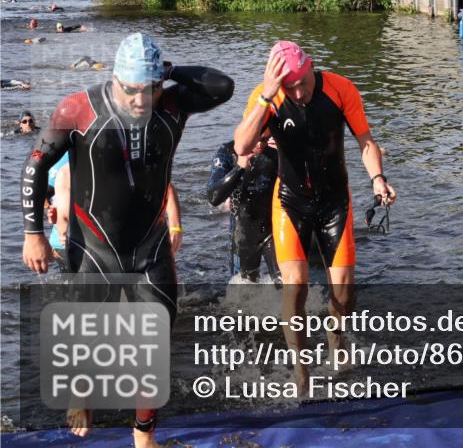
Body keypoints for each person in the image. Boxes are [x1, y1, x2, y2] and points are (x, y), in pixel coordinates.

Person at [21, 32, 233, 447]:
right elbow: (35, 167)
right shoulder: (79, 108)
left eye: (150, 89)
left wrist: (170, 72)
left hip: (150, 246)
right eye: (131, 90)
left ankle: (143, 432)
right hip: (92, 247)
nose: (140, 100)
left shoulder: (172, 104)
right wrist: (33, 235)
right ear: (115, 79)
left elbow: (222, 86)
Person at [234, 40, 396, 391]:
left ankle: (337, 341)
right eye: (289, 87)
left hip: (334, 202)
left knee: (345, 293)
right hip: (290, 202)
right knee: (296, 287)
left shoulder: (340, 88)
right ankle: (300, 369)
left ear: (311, 67)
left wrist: (378, 179)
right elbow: (241, 146)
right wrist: (267, 96)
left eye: (302, 83)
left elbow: (366, 141)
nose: (298, 93)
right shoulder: (267, 96)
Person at [47, 152, 184, 271]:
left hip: (124, 240)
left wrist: (175, 227)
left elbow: (164, 185)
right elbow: (48, 197)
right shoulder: (60, 165)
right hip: (74, 245)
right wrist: (53, 215)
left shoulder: (115, 152)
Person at [206, 136, 281, 285]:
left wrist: (287, 154)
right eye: (257, 138)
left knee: (287, 283)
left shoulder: (279, 149)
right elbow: (214, 197)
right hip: (243, 233)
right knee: (244, 288)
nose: (260, 144)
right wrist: (239, 168)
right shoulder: (228, 152)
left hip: (276, 228)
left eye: (265, 139)